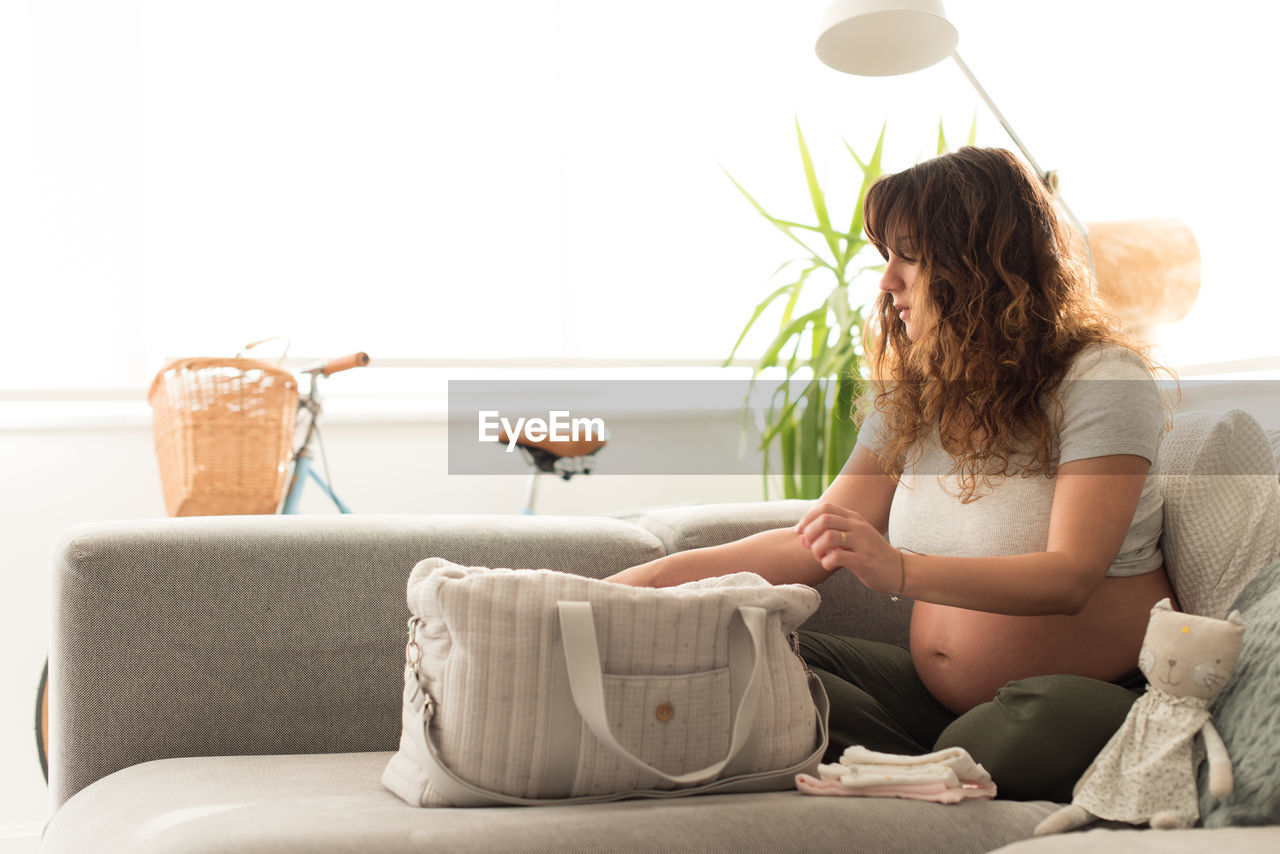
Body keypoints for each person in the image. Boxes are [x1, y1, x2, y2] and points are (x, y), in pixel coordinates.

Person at [606, 146, 1177, 803]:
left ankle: (895, 763)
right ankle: (921, 770)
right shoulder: (918, 395)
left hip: (1080, 696)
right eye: (886, 256)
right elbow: (810, 544)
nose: (886, 281)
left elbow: (1072, 574)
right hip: (928, 703)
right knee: (738, 655)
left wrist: (900, 568)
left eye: (910, 255)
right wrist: (644, 584)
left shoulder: (1100, 379)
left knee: (1025, 727)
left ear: (981, 261)